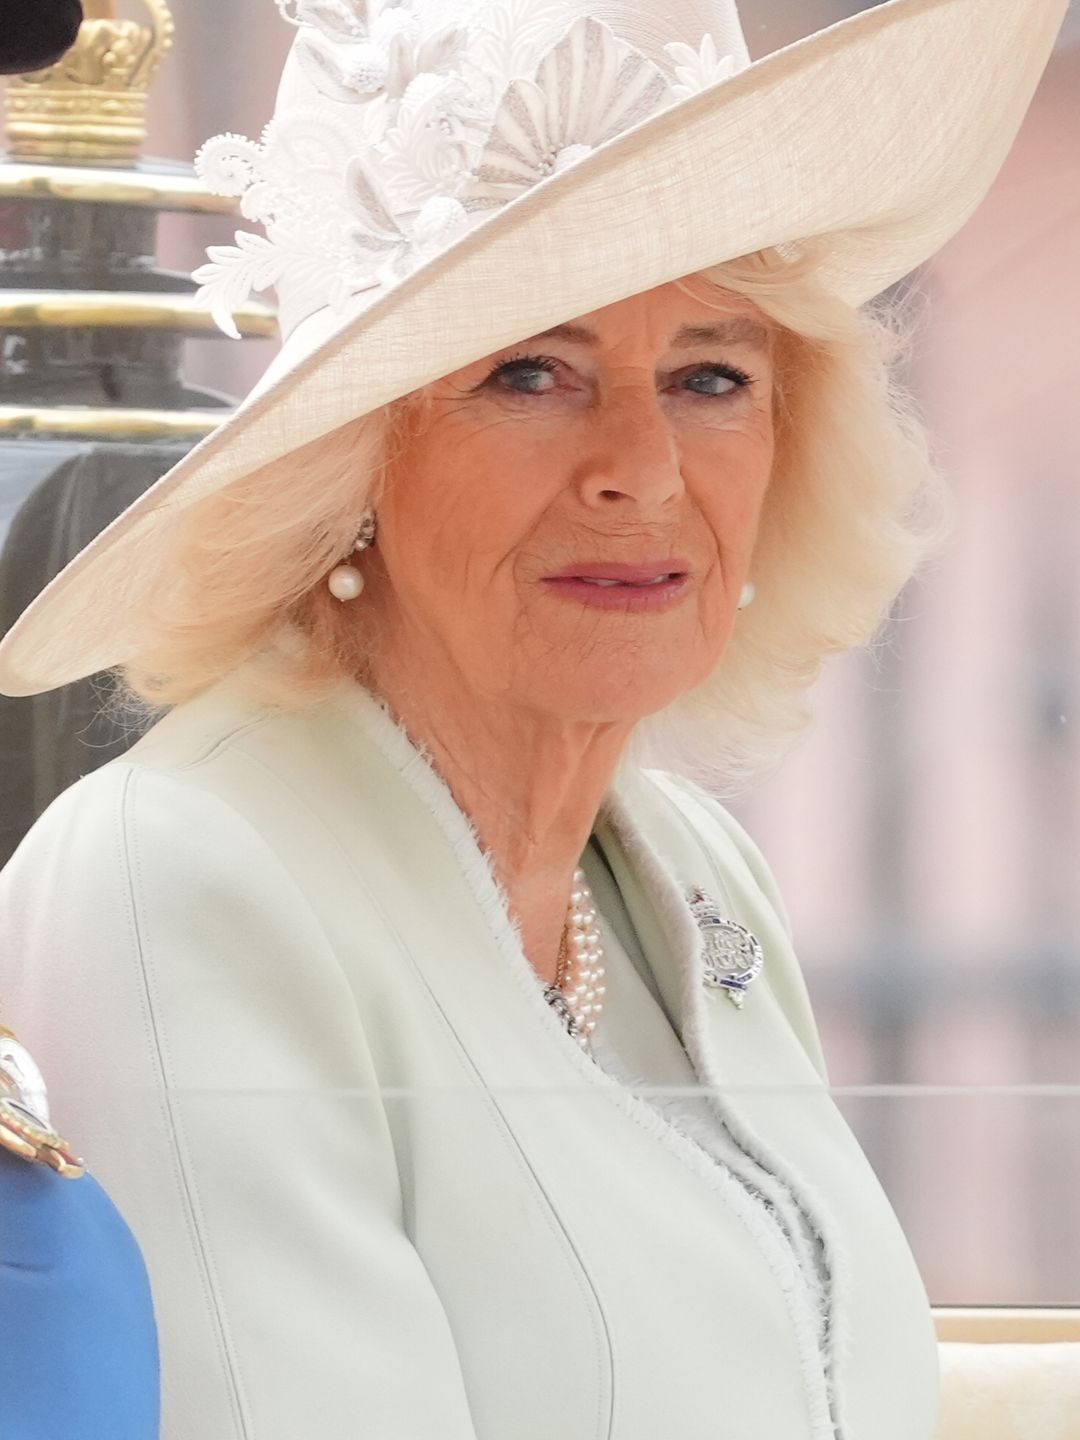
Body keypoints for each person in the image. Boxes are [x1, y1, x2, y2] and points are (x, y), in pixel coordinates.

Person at [0, 0, 1066, 1436]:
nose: (642, 466)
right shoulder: (176, 881)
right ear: (351, 462)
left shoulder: (689, 866)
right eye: (529, 372)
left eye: (710, 377)